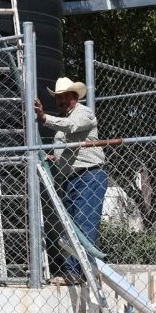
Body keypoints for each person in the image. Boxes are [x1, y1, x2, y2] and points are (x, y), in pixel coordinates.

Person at [34, 76, 107, 284]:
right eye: (59, 98)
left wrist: (44, 118)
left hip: (90, 176)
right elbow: (66, 142)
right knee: (71, 226)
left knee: (83, 224)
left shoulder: (83, 113)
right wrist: (53, 156)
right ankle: (80, 270)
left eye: (66, 97)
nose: (62, 101)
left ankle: (77, 272)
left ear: (76, 97)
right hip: (72, 178)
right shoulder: (64, 118)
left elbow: (71, 128)